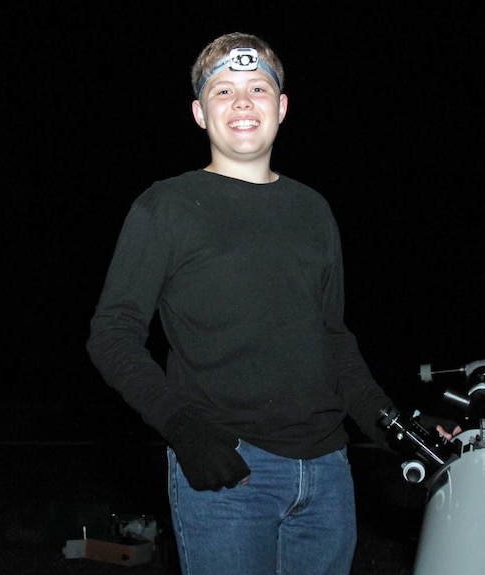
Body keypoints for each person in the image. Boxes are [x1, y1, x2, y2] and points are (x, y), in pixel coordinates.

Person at [87, 32, 398, 575]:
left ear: (280, 107)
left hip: (328, 471)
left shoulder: (313, 209)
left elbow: (332, 337)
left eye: (257, 87)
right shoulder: (167, 206)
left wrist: (393, 425)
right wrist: (183, 428)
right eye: (222, 91)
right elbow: (111, 335)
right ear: (199, 113)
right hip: (229, 469)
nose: (241, 101)